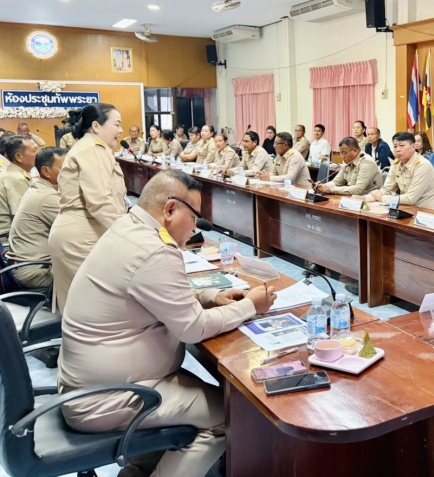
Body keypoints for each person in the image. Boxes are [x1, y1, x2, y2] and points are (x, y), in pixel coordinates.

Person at [58, 170, 277, 477]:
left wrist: (212, 296)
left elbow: (157, 292)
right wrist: (250, 306)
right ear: (171, 209)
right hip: (109, 398)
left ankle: (137, 471)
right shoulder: (154, 250)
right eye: (195, 217)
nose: (196, 227)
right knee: (228, 416)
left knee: (216, 400)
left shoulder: (128, 227)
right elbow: (193, 328)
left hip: (100, 384)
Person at [49, 103, 127, 314]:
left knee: (80, 308)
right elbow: (100, 202)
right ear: (96, 126)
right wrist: (131, 234)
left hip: (81, 230)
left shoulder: (89, 146)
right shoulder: (93, 149)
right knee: (95, 309)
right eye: (117, 124)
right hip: (83, 235)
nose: (121, 131)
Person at [7, 148, 65, 289]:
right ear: (46, 171)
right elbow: (78, 227)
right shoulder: (47, 197)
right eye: (65, 168)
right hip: (36, 271)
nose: (72, 172)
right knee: (90, 275)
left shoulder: (41, 188)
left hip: (29, 264)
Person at [366, 132, 434, 211]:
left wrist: (383, 198)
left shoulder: (422, 165)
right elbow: (387, 190)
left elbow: (410, 199)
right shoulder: (396, 163)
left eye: (402, 145)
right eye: (395, 146)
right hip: (406, 210)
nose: (397, 150)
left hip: (426, 214)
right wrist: (365, 198)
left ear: (413, 147)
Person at [0, 135, 37, 243]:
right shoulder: (17, 179)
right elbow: (24, 218)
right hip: (9, 240)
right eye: (34, 151)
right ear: (19, 157)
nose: (38, 154)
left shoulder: (14, 173)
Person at [316, 137, 381, 197]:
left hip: (369, 199)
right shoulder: (348, 162)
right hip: (353, 198)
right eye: (341, 153)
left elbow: (358, 190)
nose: (342, 157)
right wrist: (323, 187)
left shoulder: (367, 162)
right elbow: (336, 182)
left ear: (354, 151)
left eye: (344, 153)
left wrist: (331, 189)